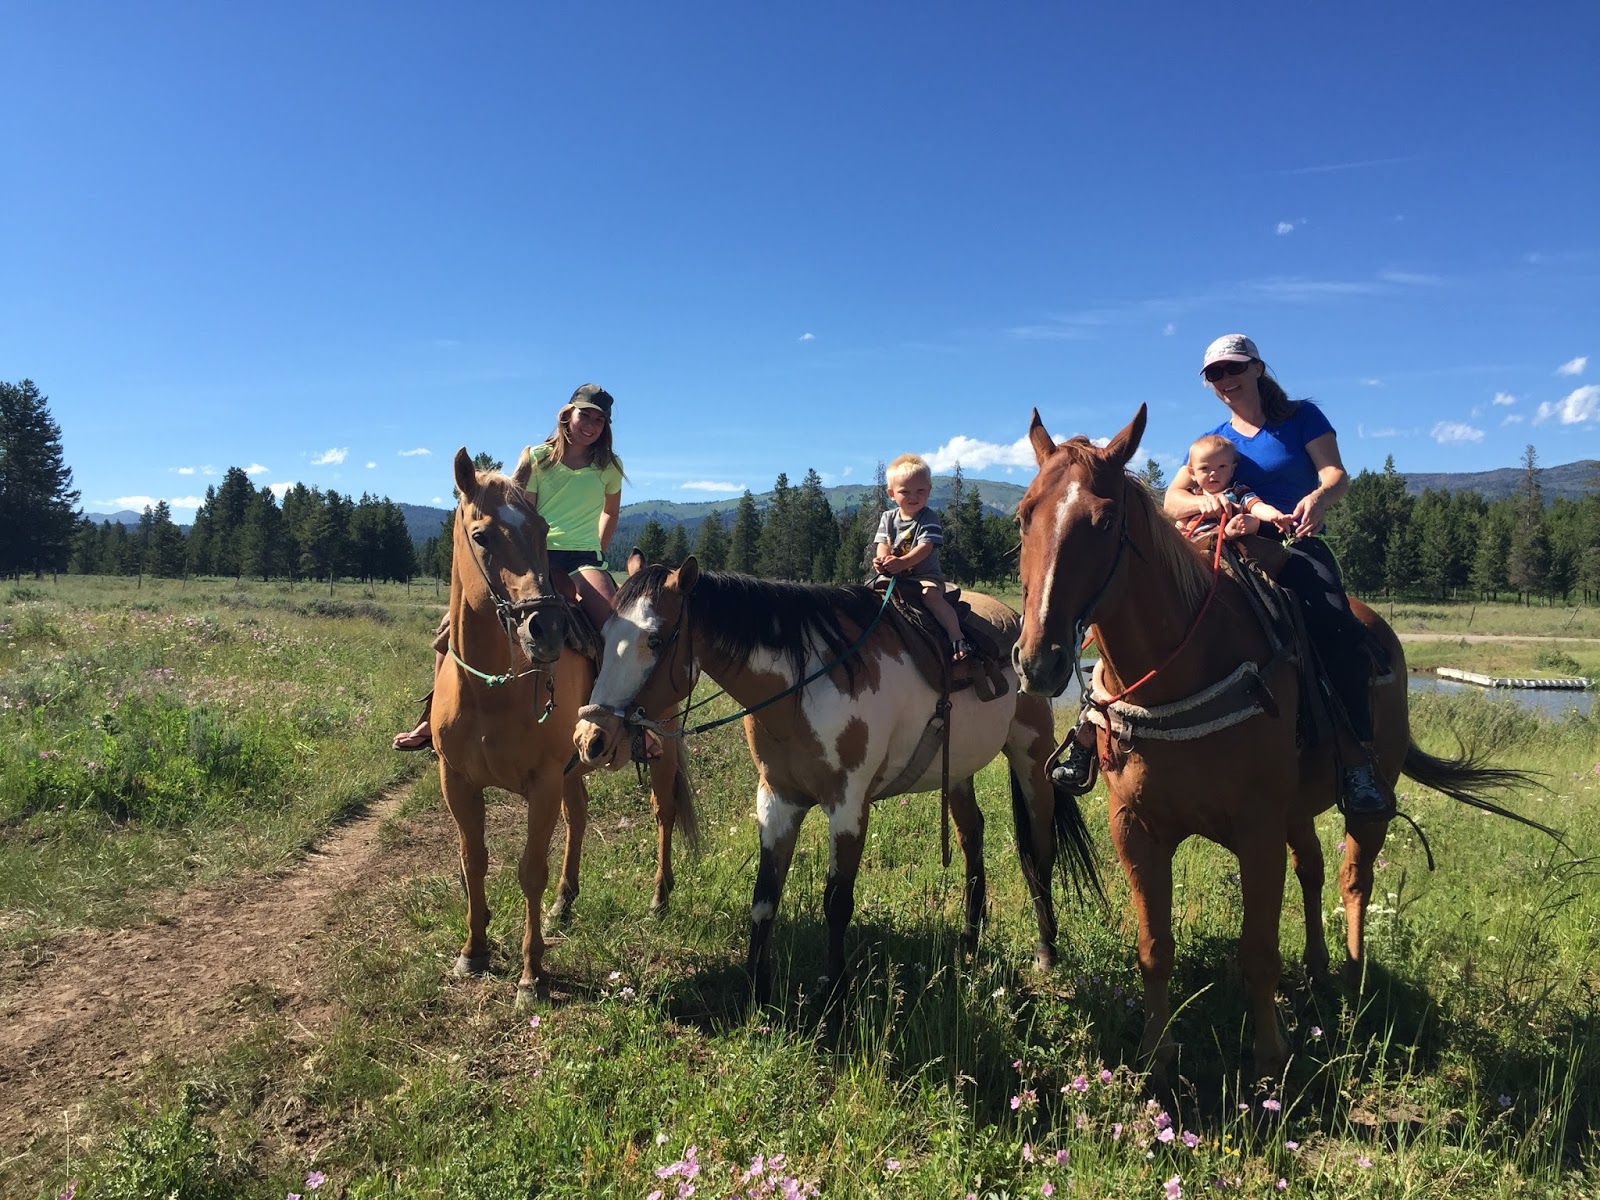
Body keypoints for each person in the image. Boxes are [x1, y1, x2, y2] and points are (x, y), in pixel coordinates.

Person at [1161, 333, 1391, 816]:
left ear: (1258, 369)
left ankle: (1357, 765)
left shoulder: (1301, 418)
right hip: (1224, 547)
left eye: (1234, 368)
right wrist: (1208, 502)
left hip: (1293, 545)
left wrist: (1317, 499)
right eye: (1215, 374)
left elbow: (1336, 474)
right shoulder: (1213, 442)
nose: (1226, 379)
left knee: (1337, 632)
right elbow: (1170, 500)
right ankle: (1102, 730)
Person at [392, 383, 625, 751]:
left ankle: (624, 722)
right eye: (585, 415)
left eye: (600, 420)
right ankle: (432, 715)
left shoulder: (609, 467)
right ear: (568, 415)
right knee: (450, 626)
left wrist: (598, 546)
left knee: (616, 626)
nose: (591, 425)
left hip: (584, 558)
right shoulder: (537, 459)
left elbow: (610, 510)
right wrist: (530, 555)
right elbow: (524, 515)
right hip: (536, 552)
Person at [872, 453, 970, 661]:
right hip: (894, 576)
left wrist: (902, 563)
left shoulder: (928, 517)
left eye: (920, 491)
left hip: (925, 576)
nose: (913, 497)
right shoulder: (887, 517)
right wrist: (883, 560)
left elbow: (925, 547)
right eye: (905, 491)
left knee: (931, 597)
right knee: (865, 597)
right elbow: (883, 543)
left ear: (929, 491)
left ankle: (957, 637)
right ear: (891, 493)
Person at [1179, 433, 1295, 540]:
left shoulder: (1237, 490)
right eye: (1205, 468)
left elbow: (1257, 506)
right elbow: (1181, 518)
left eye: (1222, 466)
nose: (1214, 473)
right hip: (1199, 541)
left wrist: (1274, 515)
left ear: (1232, 470)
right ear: (1192, 473)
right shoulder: (1192, 497)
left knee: (1253, 520)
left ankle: (1227, 534)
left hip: (1232, 533)